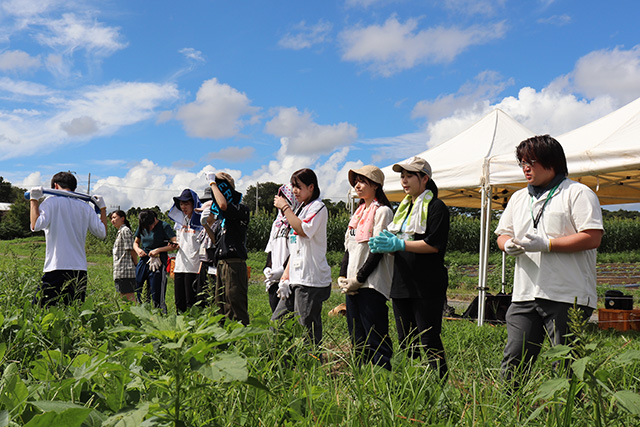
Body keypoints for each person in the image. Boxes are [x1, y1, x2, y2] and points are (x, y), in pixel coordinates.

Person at [495, 134, 603, 380]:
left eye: (531, 162)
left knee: (566, 365)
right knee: (515, 359)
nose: (525, 167)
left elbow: (592, 237)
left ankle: (567, 414)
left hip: (567, 294)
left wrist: (548, 244)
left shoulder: (577, 193)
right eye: (522, 162)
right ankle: (511, 410)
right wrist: (507, 244)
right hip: (525, 292)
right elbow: (502, 234)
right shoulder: (519, 198)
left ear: (551, 163)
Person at [369, 156, 450, 379]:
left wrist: (400, 243)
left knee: (429, 338)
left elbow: (434, 245)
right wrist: (387, 244)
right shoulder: (404, 209)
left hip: (426, 284)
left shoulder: (436, 207)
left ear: (424, 178)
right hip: (402, 282)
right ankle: (411, 384)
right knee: (406, 340)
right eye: (402, 176)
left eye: (409, 176)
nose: (404, 181)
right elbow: (399, 243)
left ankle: (438, 386)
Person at [338, 165, 394, 370]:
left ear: (376, 185)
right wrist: (343, 275)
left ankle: (384, 377)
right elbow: (348, 248)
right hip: (353, 285)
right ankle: (361, 377)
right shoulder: (358, 213)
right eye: (356, 182)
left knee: (376, 335)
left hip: (371, 284)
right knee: (357, 336)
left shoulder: (383, 212)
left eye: (363, 181)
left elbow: (377, 249)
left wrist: (359, 278)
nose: (357, 185)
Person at [272, 168, 332, 346]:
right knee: (277, 323)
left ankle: (311, 367)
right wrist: (285, 274)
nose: (294, 190)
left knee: (306, 329)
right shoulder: (301, 209)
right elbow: (295, 246)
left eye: (298, 186)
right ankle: (285, 361)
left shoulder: (318, 207)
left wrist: (285, 207)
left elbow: (303, 230)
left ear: (311, 187)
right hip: (296, 278)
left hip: (309, 279)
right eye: (293, 186)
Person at [29, 171, 108, 306]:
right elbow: (102, 233)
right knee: (73, 315)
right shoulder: (85, 207)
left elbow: (35, 225)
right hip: (79, 270)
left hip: (55, 268)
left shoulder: (50, 202)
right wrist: (103, 209)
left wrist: (34, 200)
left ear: (55, 186)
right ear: (74, 188)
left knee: (41, 311)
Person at [204, 171, 251, 325]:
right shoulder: (221, 219)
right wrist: (205, 224)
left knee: (235, 304)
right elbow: (216, 240)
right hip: (222, 263)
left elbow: (223, 205)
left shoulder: (239, 209)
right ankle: (224, 340)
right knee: (221, 304)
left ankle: (241, 339)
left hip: (234, 263)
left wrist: (212, 183)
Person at [263, 184, 299, 313]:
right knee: (275, 316)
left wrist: (282, 270)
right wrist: (268, 268)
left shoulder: (296, 222)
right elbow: (271, 248)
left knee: (286, 318)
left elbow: (296, 250)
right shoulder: (277, 224)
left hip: (288, 279)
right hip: (274, 279)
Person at [133, 209, 177, 312]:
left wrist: (158, 250)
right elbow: (136, 242)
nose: (149, 228)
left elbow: (175, 244)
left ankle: (160, 314)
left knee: (156, 292)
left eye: (151, 226)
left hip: (157, 261)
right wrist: (138, 250)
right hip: (144, 260)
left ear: (154, 219)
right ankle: (143, 312)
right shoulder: (142, 226)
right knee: (139, 286)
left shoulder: (164, 226)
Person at [168, 189, 203, 313]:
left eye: (186, 204)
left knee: (191, 301)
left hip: (194, 266)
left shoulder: (201, 223)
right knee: (179, 301)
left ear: (194, 204)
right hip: (180, 266)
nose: (183, 207)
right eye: (181, 204)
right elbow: (179, 241)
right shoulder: (179, 222)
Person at [110, 210, 138, 303]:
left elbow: (131, 249)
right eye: (111, 218)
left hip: (126, 270)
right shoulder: (120, 232)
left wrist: (136, 264)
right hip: (120, 270)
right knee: (123, 297)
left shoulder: (125, 230)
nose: (112, 220)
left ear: (122, 218)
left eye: (114, 217)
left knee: (129, 297)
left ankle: (134, 315)